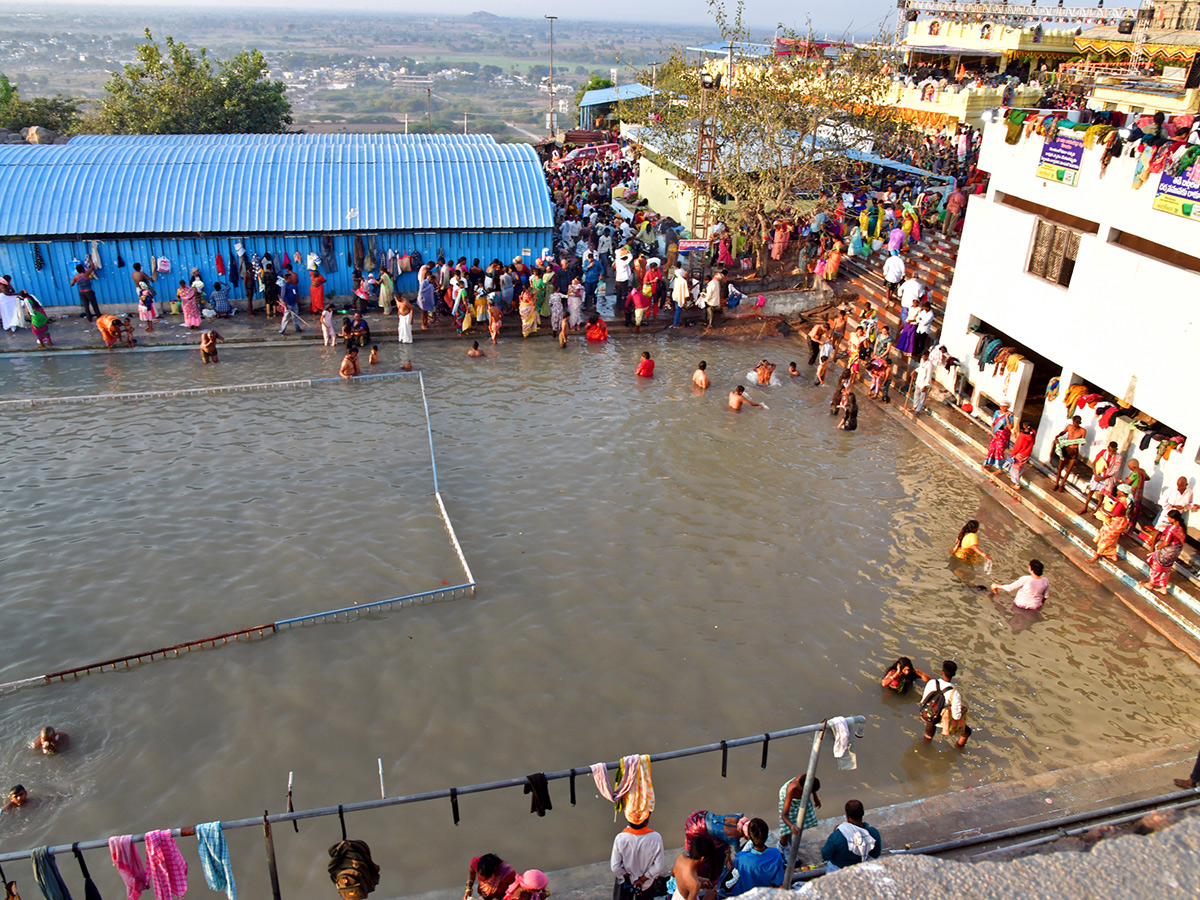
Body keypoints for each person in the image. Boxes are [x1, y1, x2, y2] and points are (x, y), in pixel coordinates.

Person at [918, 660, 972, 747]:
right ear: (953, 674)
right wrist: (964, 710)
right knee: (967, 732)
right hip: (941, 720)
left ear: (942, 672)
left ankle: (924, 750)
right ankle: (958, 750)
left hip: (928, 715)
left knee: (927, 738)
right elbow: (956, 716)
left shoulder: (931, 683)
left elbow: (923, 700)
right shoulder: (954, 693)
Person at [820, 800, 881, 874]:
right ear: (863, 813)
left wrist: (834, 832)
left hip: (837, 871)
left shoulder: (837, 835)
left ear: (847, 815)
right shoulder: (873, 833)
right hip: (860, 869)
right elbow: (875, 854)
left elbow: (825, 855)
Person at [610, 815, 664, 900]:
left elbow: (615, 867)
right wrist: (642, 879)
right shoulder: (656, 838)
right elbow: (658, 867)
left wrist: (627, 876)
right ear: (646, 821)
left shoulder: (620, 838)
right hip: (647, 882)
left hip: (625, 882)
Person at [727, 819, 784, 894]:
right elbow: (778, 881)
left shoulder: (740, 857)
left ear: (749, 837)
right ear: (766, 836)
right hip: (763, 893)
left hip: (742, 893)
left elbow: (736, 871)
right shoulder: (776, 854)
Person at [1140, 510, 1186, 594]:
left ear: (1173, 519)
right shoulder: (1182, 528)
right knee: (1166, 569)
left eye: (1169, 517)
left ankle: (1150, 583)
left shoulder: (1171, 530)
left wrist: (1158, 547)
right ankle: (1163, 587)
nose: (1168, 519)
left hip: (1166, 552)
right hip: (1174, 553)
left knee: (1155, 566)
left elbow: (1166, 542)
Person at [1090, 484, 1132, 562]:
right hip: (1121, 522)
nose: (1117, 491)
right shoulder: (1127, 500)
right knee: (1113, 539)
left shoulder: (1121, 503)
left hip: (1115, 523)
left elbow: (1114, 514)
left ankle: (1097, 556)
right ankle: (1112, 554)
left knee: (1105, 539)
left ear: (1122, 493)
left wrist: (1103, 509)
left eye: (1118, 491)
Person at [778, 775, 821, 850]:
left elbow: (812, 788)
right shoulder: (792, 789)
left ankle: (789, 838)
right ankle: (782, 846)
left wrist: (816, 798)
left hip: (799, 799)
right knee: (787, 830)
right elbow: (784, 815)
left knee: (801, 820)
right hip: (788, 799)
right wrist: (791, 826)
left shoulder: (809, 778)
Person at [1081, 441, 1122, 515]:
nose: (1111, 452)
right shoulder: (1103, 452)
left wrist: (1101, 479)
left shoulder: (1118, 457)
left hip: (1107, 479)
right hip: (1098, 475)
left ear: (1116, 450)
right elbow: (1094, 463)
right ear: (1108, 447)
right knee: (1091, 491)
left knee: (1101, 496)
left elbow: (1115, 470)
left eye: (1113, 451)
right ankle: (1085, 508)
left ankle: (1095, 512)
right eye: (1110, 450)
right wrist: (1096, 475)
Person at [1051, 416, 1087, 492]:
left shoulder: (1082, 431)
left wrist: (1079, 441)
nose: (1075, 425)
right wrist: (1058, 436)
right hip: (1066, 449)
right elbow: (1063, 432)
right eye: (1074, 423)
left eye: (1076, 423)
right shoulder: (1069, 427)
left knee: (1069, 469)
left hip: (1074, 450)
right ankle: (1056, 483)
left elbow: (1083, 442)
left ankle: (1062, 485)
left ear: (1079, 423)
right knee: (1060, 467)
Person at [984, 402, 1014, 468]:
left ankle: (999, 466)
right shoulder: (997, 412)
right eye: (1001, 406)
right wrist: (993, 433)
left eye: (1004, 407)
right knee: (992, 448)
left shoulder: (1010, 415)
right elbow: (993, 423)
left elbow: (1010, 427)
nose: (1002, 408)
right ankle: (989, 462)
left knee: (1000, 449)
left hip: (1003, 435)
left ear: (1007, 407)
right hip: (996, 433)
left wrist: (1007, 418)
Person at [1008, 421, 1036, 490]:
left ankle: (1017, 483)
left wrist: (1012, 454)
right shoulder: (1033, 433)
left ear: (1025, 427)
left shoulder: (1022, 435)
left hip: (1020, 453)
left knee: (1016, 467)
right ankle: (1013, 477)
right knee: (1021, 466)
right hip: (1027, 453)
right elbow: (1034, 442)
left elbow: (1018, 446)